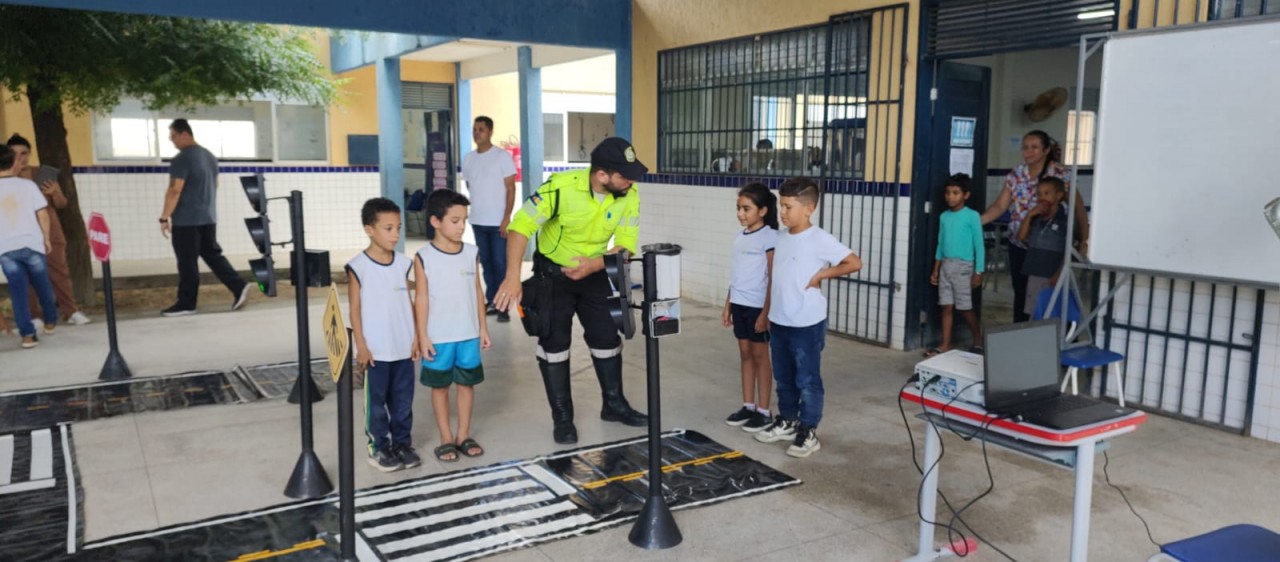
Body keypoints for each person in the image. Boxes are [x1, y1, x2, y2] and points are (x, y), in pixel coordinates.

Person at [492, 137, 649, 445]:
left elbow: (626, 245)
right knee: (554, 343)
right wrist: (512, 276)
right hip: (553, 276)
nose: (631, 181)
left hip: (596, 272)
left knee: (607, 338)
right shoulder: (560, 188)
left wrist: (594, 265)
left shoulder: (629, 194)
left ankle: (614, 405)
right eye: (624, 175)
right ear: (602, 175)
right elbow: (521, 227)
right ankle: (562, 417)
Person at [754, 177, 861, 458]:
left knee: (807, 379)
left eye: (789, 207)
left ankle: (808, 430)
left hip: (806, 323)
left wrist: (822, 274)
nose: (783, 212)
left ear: (809, 208)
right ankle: (788, 420)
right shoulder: (781, 237)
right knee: (785, 376)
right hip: (780, 320)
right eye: (781, 206)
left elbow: (854, 262)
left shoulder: (819, 239)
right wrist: (767, 313)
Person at [414, 189, 491, 462]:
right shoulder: (424, 257)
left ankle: (463, 434)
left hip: (468, 334)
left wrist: (482, 327)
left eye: (464, 221)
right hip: (439, 336)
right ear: (436, 221)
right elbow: (421, 298)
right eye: (455, 221)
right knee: (440, 387)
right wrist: (422, 336)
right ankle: (446, 437)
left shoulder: (472, 252)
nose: (461, 227)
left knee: (467, 385)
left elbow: (477, 292)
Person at [980, 130, 1088, 322]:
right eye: (1025, 147)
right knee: (1022, 296)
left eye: (1034, 148)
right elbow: (999, 206)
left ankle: (1057, 339)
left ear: (1046, 150)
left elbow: (1078, 209)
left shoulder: (1060, 174)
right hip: (1020, 244)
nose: (1028, 152)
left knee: (1050, 294)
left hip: (1049, 248)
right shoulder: (1016, 175)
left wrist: (1084, 241)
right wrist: (975, 222)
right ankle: (1021, 338)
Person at [347, 197, 421, 473]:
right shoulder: (358, 266)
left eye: (398, 228)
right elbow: (354, 310)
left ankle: (402, 444)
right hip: (375, 350)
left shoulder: (403, 263)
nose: (395, 234)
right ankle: (378, 447)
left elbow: (409, 303)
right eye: (388, 228)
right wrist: (361, 346)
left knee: (403, 402)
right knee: (376, 403)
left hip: (403, 346)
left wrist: (416, 338)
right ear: (370, 229)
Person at [159, 119, 251, 317]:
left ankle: (186, 303)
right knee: (212, 255)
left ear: (185, 134)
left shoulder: (181, 159)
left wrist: (164, 217)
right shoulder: (209, 156)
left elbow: (174, 190)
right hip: (208, 217)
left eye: (173, 136)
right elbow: (215, 183)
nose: (172, 141)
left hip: (186, 221)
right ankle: (238, 285)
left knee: (187, 262)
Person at [7, 134, 90, 327]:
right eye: (15, 154)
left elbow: (61, 204)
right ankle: (35, 316)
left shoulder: (43, 174)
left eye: (24, 153)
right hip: (23, 235)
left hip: (51, 233)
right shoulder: (7, 179)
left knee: (60, 273)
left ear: (30, 154)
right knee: (26, 276)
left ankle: (71, 311)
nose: (21, 158)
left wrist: (56, 192)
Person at [721, 182, 778, 433]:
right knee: (745, 353)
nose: (740, 214)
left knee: (760, 356)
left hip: (757, 307)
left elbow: (773, 277)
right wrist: (728, 304)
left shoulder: (770, 237)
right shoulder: (739, 237)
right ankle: (748, 405)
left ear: (763, 211)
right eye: (738, 208)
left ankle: (764, 411)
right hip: (740, 304)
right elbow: (737, 274)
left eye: (746, 209)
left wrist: (766, 312)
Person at [0, 144, 59, 349]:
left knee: (18, 293)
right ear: (13, 162)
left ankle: (27, 336)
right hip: (32, 244)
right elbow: (42, 214)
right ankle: (50, 321)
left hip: (6, 249)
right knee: (43, 286)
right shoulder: (28, 186)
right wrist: (46, 238)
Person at [461, 116, 518, 324]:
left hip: (498, 223)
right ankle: (492, 301)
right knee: (486, 264)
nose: (478, 133)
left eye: (481, 129)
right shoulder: (468, 158)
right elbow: (469, 185)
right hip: (478, 220)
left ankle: (504, 307)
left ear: (490, 132)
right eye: (475, 129)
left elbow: (511, 188)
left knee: (501, 264)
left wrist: (506, 218)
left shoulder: (502, 157)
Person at [927, 173, 984, 357]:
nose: (950, 197)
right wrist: (936, 268)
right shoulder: (944, 217)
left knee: (964, 307)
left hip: (963, 266)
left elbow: (979, 246)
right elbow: (940, 244)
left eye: (955, 193)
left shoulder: (972, 216)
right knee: (946, 306)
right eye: (948, 193)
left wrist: (979, 271)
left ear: (965, 195)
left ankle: (978, 339)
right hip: (946, 265)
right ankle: (945, 344)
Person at [1017, 177, 1070, 319]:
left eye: (1047, 193)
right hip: (1035, 270)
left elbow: (1069, 249)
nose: (1042, 197)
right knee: (1035, 310)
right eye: (1039, 194)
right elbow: (1021, 237)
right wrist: (1029, 215)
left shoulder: (1065, 219)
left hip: (1054, 272)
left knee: (1053, 311)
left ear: (1059, 195)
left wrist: (1059, 272)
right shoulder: (1036, 217)